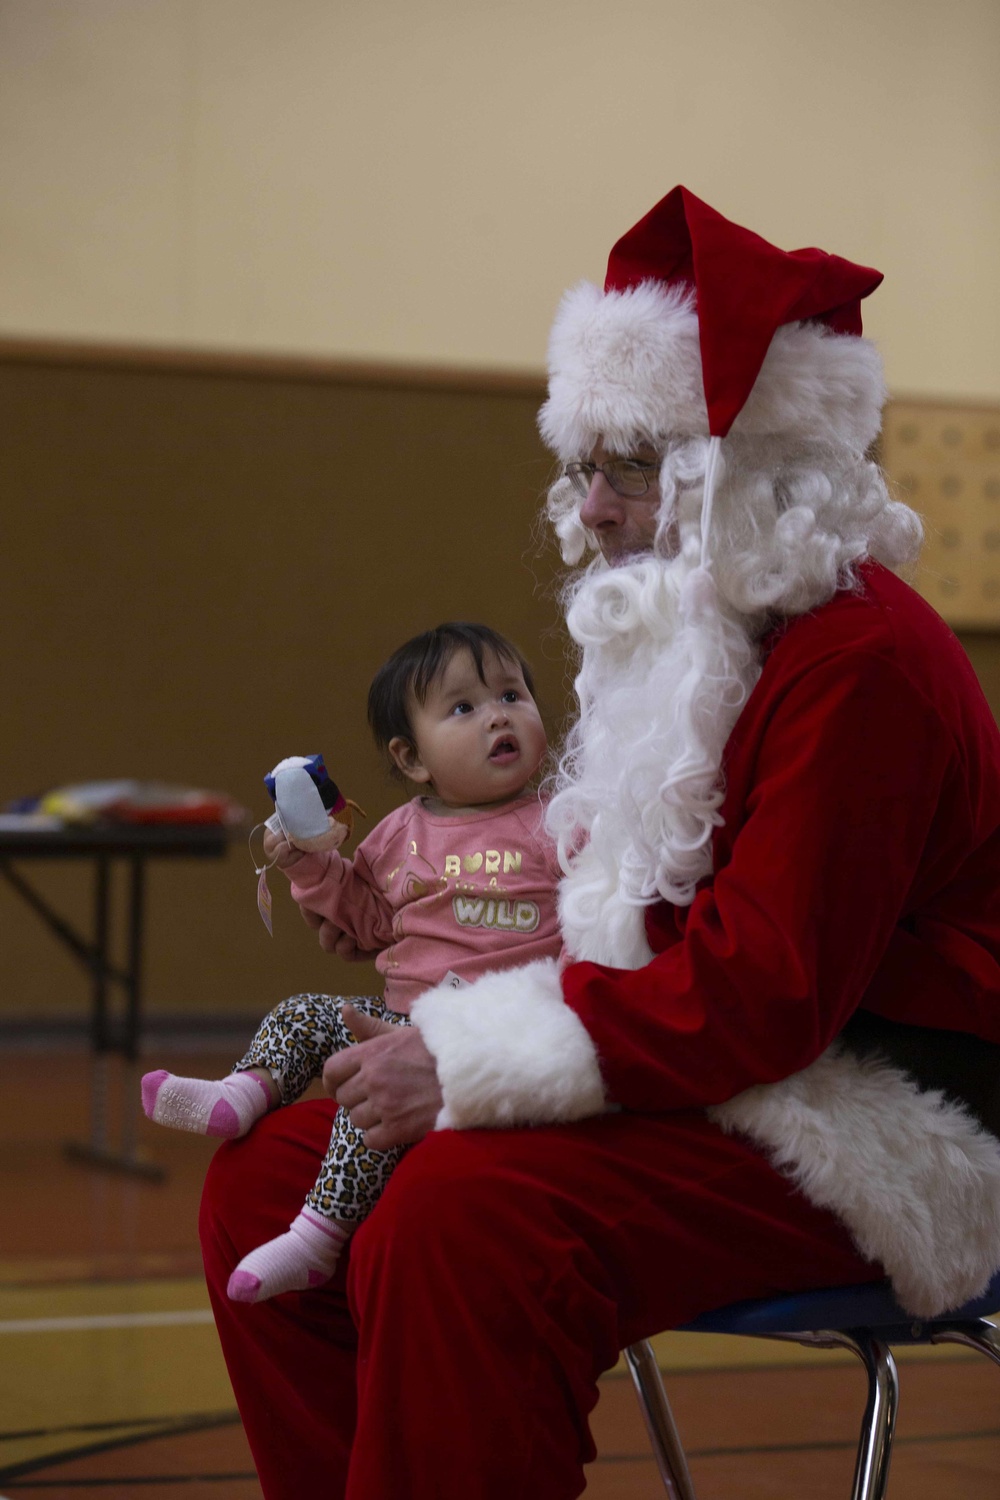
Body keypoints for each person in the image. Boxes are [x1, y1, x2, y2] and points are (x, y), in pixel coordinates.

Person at [198, 187, 1000, 1500]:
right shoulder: (704, 637)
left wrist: (459, 1058)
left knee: (468, 1220)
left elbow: (760, 994)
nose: (595, 512)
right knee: (271, 1176)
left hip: (892, 1113)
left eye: (629, 467)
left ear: (745, 474)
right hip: (727, 1069)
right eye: (584, 467)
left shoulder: (860, 667)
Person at [145, 621, 558, 1302]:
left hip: (494, 1041)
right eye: (464, 707)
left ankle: (317, 1239)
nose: (498, 716)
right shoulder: (399, 835)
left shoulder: (561, 820)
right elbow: (364, 921)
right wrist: (310, 864)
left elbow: (603, 927)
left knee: (369, 1092)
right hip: (399, 1018)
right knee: (301, 1014)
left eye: (512, 694)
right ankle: (242, 1093)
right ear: (413, 758)